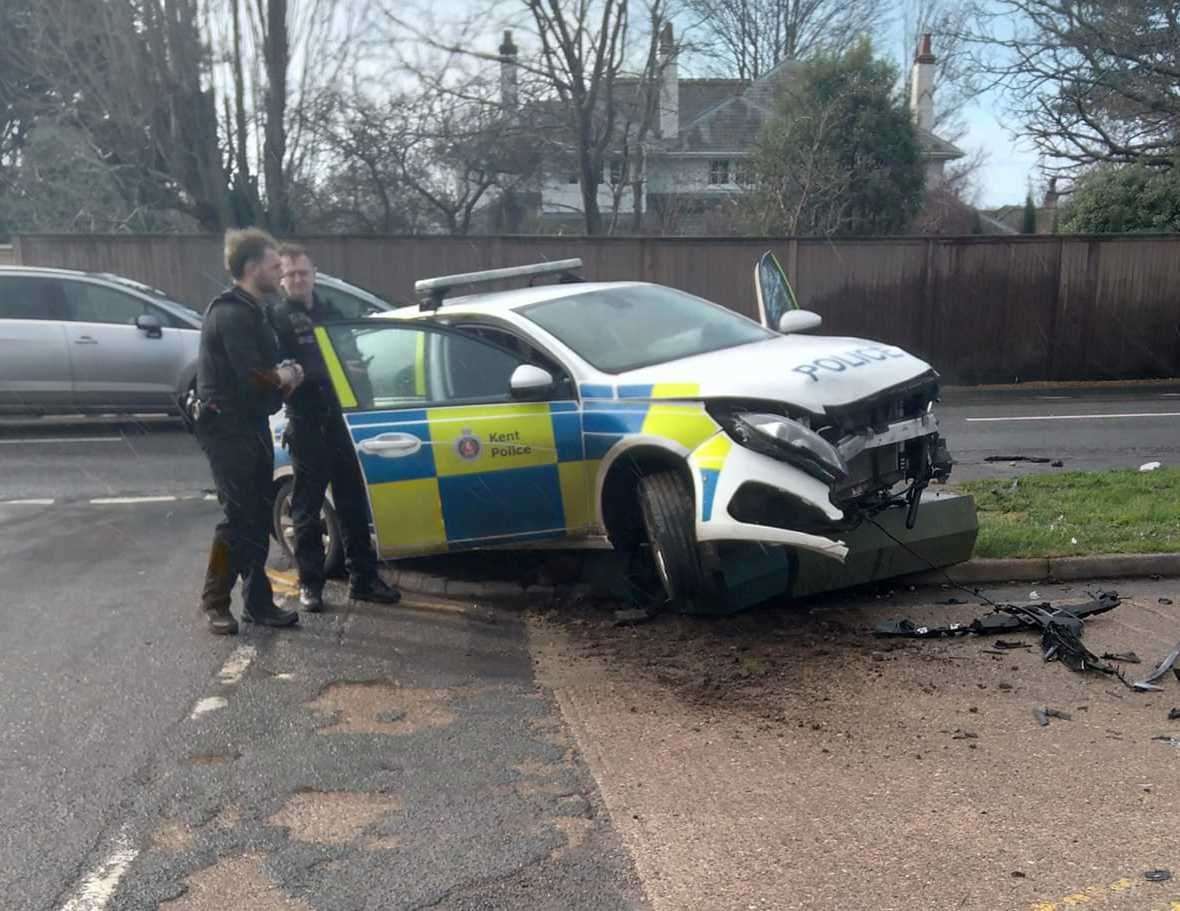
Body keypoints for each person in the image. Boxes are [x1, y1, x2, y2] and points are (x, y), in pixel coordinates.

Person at [271, 243, 401, 612]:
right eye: (290, 273)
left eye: (303, 272)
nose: (297, 279)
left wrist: (359, 376)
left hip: (339, 419)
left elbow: (354, 356)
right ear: (281, 279)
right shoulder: (277, 319)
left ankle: (364, 579)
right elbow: (283, 372)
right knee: (307, 512)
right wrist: (322, 372)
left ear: (314, 274)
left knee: (353, 504)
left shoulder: (331, 312)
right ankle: (311, 585)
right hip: (305, 421)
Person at [195, 228, 304, 635]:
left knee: (257, 517)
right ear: (253, 267)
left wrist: (285, 374)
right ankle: (215, 600)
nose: (281, 272)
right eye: (276, 265)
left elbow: (264, 374)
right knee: (239, 518)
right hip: (227, 431)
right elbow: (251, 378)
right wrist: (283, 375)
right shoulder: (231, 314)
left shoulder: (254, 310)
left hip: (250, 425)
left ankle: (258, 603)